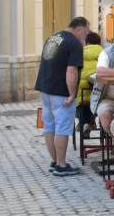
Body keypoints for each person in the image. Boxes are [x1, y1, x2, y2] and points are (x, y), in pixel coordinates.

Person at [35, 17, 90, 176]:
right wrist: (72, 94)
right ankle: (61, 165)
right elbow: (71, 71)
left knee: (49, 126)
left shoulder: (53, 37)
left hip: (45, 87)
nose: (85, 36)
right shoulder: (73, 43)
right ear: (79, 30)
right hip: (60, 91)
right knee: (63, 128)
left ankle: (54, 161)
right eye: (85, 32)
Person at [75, 32, 102, 138]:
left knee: (82, 105)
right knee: (97, 103)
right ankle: (98, 124)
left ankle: (85, 124)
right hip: (98, 92)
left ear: (87, 42)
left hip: (82, 91)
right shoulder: (104, 53)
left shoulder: (79, 53)